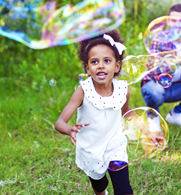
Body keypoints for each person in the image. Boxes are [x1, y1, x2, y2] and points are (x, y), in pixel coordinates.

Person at [55, 30, 134, 195]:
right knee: (99, 185)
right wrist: (70, 129)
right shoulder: (83, 91)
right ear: (88, 68)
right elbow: (59, 123)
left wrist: (149, 130)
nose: (101, 65)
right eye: (94, 62)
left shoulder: (122, 90)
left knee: (124, 190)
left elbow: (127, 113)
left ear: (117, 65)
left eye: (107, 60)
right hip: (91, 150)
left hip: (115, 146)